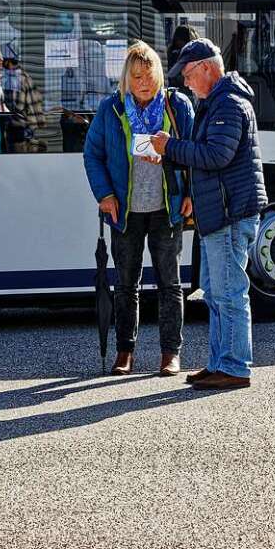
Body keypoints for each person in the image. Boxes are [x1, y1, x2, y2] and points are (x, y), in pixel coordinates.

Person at [153, 38, 268, 390]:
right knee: (217, 293)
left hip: (230, 214)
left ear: (207, 68)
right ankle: (220, 362)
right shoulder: (218, 102)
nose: (186, 83)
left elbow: (216, 155)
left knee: (228, 292)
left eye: (188, 75)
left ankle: (233, 366)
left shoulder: (228, 105)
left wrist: (170, 146)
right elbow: (210, 154)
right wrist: (169, 153)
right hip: (221, 212)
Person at [83, 41, 194, 377]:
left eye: (148, 76)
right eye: (136, 77)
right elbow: (93, 155)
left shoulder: (178, 106)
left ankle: (170, 354)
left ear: (158, 74)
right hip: (126, 211)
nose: (144, 83)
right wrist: (104, 195)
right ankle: (124, 352)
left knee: (170, 284)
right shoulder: (110, 109)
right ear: (126, 80)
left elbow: (194, 153)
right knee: (126, 285)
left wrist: (190, 193)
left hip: (167, 208)